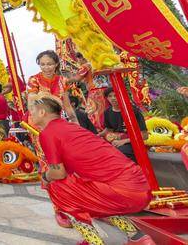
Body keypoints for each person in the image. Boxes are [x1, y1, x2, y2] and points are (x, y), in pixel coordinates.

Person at [29, 96, 153, 245]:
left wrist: (45, 177)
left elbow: (58, 173)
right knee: (89, 197)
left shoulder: (48, 133)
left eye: (32, 111)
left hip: (123, 191)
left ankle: (94, 242)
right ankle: (138, 237)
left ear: (42, 112)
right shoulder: (73, 127)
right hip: (140, 188)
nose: (31, 115)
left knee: (58, 187)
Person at [27, 50, 77, 123]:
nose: (46, 68)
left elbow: (67, 106)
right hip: (39, 121)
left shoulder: (63, 81)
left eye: (49, 64)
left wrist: (75, 122)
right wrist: (52, 97)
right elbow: (31, 98)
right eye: (42, 64)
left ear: (56, 64)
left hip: (56, 121)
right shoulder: (34, 80)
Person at [101, 87, 148, 162]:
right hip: (116, 141)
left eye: (115, 95)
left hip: (132, 142)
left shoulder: (132, 111)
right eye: (110, 96)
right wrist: (96, 135)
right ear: (107, 98)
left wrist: (124, 141)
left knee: (118, 153)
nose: (113, 98)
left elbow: (144, 136)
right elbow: (109, 129)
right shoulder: (107, 112)